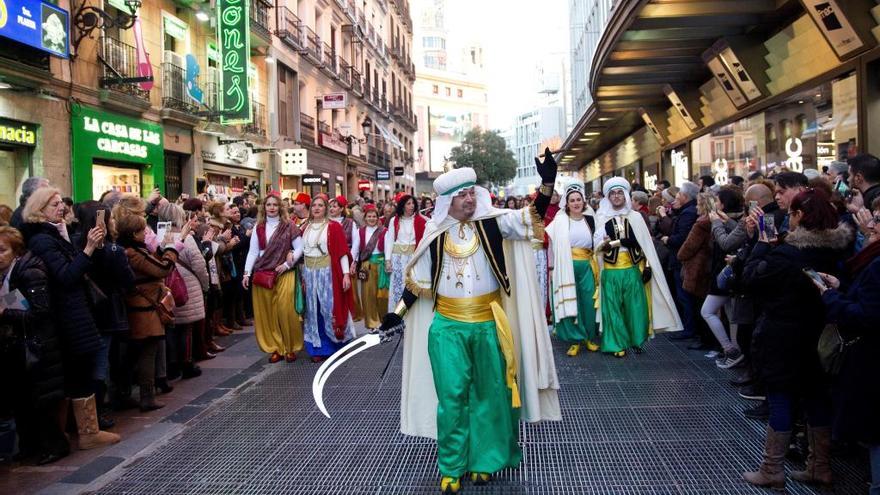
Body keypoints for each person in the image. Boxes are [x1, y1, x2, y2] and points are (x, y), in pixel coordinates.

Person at [379, 153, 561, 493]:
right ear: (447, 201)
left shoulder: (494, 222)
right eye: (462, 195)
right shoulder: (434, 233)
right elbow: (417, 283)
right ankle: (451, 465)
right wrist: (396, 316)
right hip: (447, 328)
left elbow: (533, 216)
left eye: (471, 193)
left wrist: (548, 182)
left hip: (489, 324)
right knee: (452, 398)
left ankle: (485, 461)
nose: (469, 199)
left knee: (490, 394)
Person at [740, 189, 853, 490]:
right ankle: (820, 465)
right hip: (819, 335)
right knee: (815, 396)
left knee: (780, 397)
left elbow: (751, 279)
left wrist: (761, 246)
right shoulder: (838, 250)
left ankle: (771, 468)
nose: (788, 218)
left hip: (782, 335)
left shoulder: (786, 254)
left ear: (800, 216)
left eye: (791, 212)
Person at [19, 188, 120, 449]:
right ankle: (85, 432)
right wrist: (87, 249)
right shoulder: (42, 240)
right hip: (67, 314)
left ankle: (86, 430)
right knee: (80, 374)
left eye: (60, 204)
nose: (61, 208)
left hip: (74, 312)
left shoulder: (54, 235)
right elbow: (66, 276)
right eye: (54, 205)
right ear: (40, 210)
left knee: (81, 373)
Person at [812, 197, 880, 492]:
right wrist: (842, 289)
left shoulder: (877, 264)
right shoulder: (871, 259)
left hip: (872, 357)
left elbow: (866, 315)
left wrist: (830, 297)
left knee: (876, 434)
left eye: (876, 220)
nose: (870, 224)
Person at [0, 226, 67, 465]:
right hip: (18, 345)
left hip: (38, 344)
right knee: (22, 399)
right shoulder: (7, 275)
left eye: (2, 250)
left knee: (41, 399)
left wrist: (5, 314)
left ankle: (54, 445)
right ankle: (29, 445)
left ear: (16, 251)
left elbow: (41, 312)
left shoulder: (30, 272)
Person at [594, 178, 682, 357]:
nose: (617, 196)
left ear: (625, 195)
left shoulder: (635, 217)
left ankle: (635, 339)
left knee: (635, 308)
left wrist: (648, 266)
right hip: (611, 271)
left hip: (632, 269)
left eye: (620, 193)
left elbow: (646, 246)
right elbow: (597, 243)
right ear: (608, 197)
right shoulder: (601, 217)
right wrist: (604, 243)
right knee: (613, 310)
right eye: (613, 194)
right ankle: (616, 344)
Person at [73, 201, 134, 429]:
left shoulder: (72, 246)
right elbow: (127, 281)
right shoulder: (113, 251)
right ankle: (98, 413)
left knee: (87, 365)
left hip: (81, 312)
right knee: (101, 364)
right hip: (106, 313)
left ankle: (89, 413)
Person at [117, 214, 180, 412]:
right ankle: (147, 396)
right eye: (142, 230)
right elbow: (162, 269)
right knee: (147, 352)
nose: (146, 233)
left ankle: (127, 393)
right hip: (144, 310)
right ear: (133, 233)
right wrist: (171, 250)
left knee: (136, 354)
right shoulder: (133, 253)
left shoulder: (131, 251)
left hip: (140, 308)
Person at [242, 194, 304, 363]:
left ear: (280, 207)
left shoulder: (289, 226)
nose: (271, 207)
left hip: (285, 272)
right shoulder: (258, 227)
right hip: (263, 273)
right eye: (268, 204)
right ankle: (276, 348)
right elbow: (253, 252)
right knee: (268, 313)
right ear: (264, 207)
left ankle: (290, 347)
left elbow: (300, 248)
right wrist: (246, 273)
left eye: (275, 205)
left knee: (286, 310)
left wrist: (286, 265)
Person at [546, 178, 598, 356]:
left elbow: (597, 243)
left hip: (587, 266)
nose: (576, 203)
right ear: (566, 204)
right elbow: (552, 246)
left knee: (589, 302)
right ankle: (575, 340)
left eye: (578, 199)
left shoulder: (591, 220)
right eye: (572, 200)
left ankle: (589, 338)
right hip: (566, 266)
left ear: (583, 201)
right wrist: (552, 268)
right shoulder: (560, 220)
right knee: (570, 301)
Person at [301, 195, 355, 362]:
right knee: (312, 310)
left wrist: (346, 274)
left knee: (328, 308)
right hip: (309, 272)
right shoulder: (304, 227)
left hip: (328, 273)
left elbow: (342, 253)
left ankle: (336, 345)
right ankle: (317, 348)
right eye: (314, 206)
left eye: (320, 205)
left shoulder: (334, 227)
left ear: (325, 208)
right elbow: (299, 251)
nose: (317, 208)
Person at [156, 202, 207, 379]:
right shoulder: (186, 237)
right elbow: (199, 265)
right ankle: (186, 363)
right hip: (186, 287)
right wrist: (205, 284)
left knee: (170, 328)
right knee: (185, 329)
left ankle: (171, 365)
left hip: (166, 288)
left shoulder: (158, 237)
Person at [704, 186, 748, 368]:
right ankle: (734, 351)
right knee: (731, 314)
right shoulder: (740, 220)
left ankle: (731, 349)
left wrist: (716, 223)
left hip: (727, 273)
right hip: (728, 273)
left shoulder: (745, 221)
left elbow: (726, 243)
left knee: (707, 311)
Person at [676, 193, 716, 351]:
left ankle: (704, 339)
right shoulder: (712, 222)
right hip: (706, 266)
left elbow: (689, 246)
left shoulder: (701, 223)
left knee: (697, 303)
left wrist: (680, 256)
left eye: (699, 204)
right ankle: (706, 338)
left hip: (697, 267)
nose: (696, 207)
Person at [661, 181, 699, 341]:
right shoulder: (685, 212)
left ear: (684, 196)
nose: (675, 199)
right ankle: (687, 327)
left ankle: (688, 329)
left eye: (678, 196)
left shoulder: (688, 213)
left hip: (681, 259)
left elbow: (682, 237)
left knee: (684, 296)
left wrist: (668, 240)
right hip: (679, 259)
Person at [384, 194, 426, 312]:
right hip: (397, 258)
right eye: (408, 203)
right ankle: (397, 316)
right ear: (402, 206)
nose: (411, 206)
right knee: (397, 288)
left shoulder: (419, 220)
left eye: (413, 203)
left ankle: (410, 315)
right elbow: (390, 241)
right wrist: (388, 260)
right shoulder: (395, 220)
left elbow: (431, 224)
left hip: (413, 258)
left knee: (410, 287)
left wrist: (421, 215)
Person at [351, 204, 389, 331]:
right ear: (365, 218)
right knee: (368, 296)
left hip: (382, 265)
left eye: (374, 216)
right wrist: (353, 263)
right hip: (367, 266)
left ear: (378, 218)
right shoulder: (360, 231)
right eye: (369, 216)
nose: (372, 218)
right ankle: (372, 323)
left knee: (383, 295)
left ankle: (384, 321)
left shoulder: (384, 231)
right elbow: (355, 250)